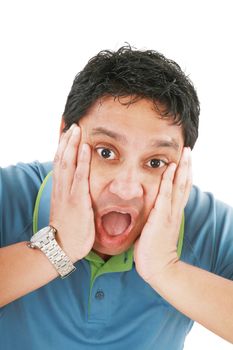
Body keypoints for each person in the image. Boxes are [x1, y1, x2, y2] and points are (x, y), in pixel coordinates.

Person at [0, 45, 233, 350]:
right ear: (64, 136)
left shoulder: (207, 224)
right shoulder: (10, 194)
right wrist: (55, 248)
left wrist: (166, 269)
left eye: (155, 162)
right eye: (106, 152)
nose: (126, 188)